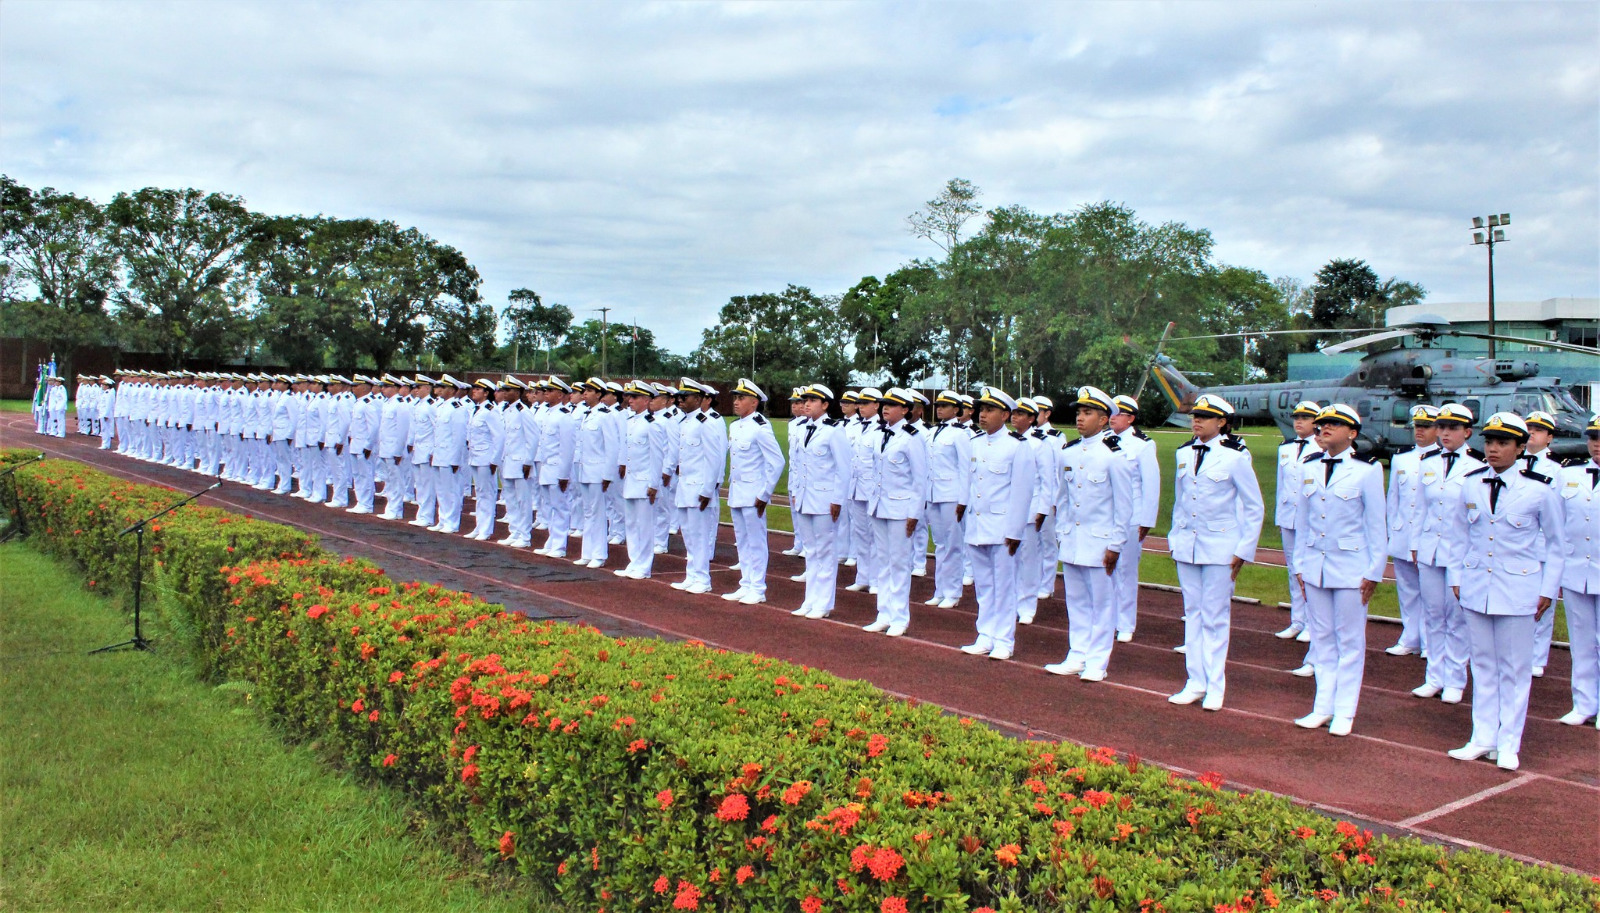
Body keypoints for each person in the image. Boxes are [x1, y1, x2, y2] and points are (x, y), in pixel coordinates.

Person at [1444, 413, 1565, 772]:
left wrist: (1547, 589)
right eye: (1489, 442)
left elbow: (1557, 545)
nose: (1493, 449)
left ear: (1520, 447)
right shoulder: (1471, 483)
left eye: (1503, 443)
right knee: (1482, 665)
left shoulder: (1539, 488)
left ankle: (1509, 742)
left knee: (1514, 668)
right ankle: (1482, 737)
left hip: (1519, 588)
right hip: (1478, 585)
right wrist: (1457, 577)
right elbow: (1458, 535)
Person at [1291, 404, 1387, 737]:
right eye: (1323, 423)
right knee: (1322, 639)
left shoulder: (1367, 470)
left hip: (1351, 567)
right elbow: (1302, 523)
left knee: (1349, 641)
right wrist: (1300, 566)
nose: (1325, 428)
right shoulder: (1309, 467)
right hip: (1315, 567)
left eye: (1335, 424)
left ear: (1353, 433)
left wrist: (1374, 571)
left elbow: (1376, 525)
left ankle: (1344, 711)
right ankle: (1322, 706)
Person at [1166, 394, 1264, 711]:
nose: (1197, 421)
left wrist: (1244, 549)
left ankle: (1215, 686)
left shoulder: (1235, 456)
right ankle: (1195, 681)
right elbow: (1180, 500)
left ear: (1221, 422)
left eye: (1205, 417)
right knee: (1192, 614)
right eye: (1195, 416)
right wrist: (1173, 537)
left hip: (1221, 546)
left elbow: (1253, 506)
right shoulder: (1183, 453)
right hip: (1188, 545)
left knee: (1215, 617)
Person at [1045, 386, 1134, 682]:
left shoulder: (1113, 455)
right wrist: (1061, 533)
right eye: (1079, 412)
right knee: (1077, 601)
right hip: (1072, 539)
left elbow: (1124, 505)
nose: (1080, 418)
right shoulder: (1068, 451)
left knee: (1102, 603)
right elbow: (1063, 498)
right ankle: (1077, 654)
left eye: (1088, 413)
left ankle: (1097, 662)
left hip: (1100, 541)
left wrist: (1116, 544)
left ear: (1104, 418)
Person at [1411, 403, 1483, 705]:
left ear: (1467, 432)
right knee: (1433, 614)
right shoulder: (1428, 462)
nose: (1445, 433)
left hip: (1459, 551)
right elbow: (1420, 507)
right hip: (1430, 548)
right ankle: (1434, 676)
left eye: (1453, 428)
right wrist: (1415, 543)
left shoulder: (1477, 466)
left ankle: (1455, 678)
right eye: (1441, 427)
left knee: (1457, 617)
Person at [959, 387, 1036, 661]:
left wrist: (1015, 531)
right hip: (978, 525)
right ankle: (985, 634)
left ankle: (1004, 639)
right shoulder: (975, 443)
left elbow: (1022, 493)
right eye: (981, 409)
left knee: (1004, 586)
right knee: (984, 586)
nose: (983, 414)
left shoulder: (1017, 446)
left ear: (1005, 414)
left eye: (990, 410)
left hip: (1003, 528)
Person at [863, 388, 929, 637]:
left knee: (899, 563)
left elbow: (919, 479)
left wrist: (914, 513)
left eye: (892, 404)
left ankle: (900, 617)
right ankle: (884, 613)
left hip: (902, 509)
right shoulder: (880, 433)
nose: (885, 408)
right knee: (883, 562)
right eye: (884, 404)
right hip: (880, 507)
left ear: (905, 410)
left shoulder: (912, 437)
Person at [790, 385, 853, 619]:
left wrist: (837, 500)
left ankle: (823, 603)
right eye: (805, 400)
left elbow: (843, 468)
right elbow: (797, 465)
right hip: (805, 498)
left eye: (813, 400)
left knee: (825, 552)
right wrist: (796, 491)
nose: (807, 403)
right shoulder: (801, 428)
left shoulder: (833, 430)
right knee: (811, 551)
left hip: (825, 499)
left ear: (825, 405)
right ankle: (810, 599)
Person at [721, 379, 786, 605]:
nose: (736, 402)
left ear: (754, 402)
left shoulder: (760, 427)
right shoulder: (735, 426)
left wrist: (765, 493)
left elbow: (776, 462)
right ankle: (746, 583)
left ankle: (758, 588)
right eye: (735, 397)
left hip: (753, 494)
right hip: (738, 491)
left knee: (756, 542)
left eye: (741, 398)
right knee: (742, 541)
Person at [1554, 415, 1600, 728]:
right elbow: (1556, 527)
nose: (1597, 444)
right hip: (1575, 571)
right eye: (1593, 437)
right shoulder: (1569, 474)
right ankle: (1584, 703)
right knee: (1581, 642)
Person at [1383, 405, 1440, 656]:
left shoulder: (1442, 460)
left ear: (1437, 430)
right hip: (1403, 532)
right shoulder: (1401, 458)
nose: (1420, 431)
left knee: (1430, 594)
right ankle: (1410, 637)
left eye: (1426, 427)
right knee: (1407, 590)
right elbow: (1393, 498)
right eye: (1417, 426)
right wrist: (1390, 531)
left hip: (1428, 537)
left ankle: (1430, 642)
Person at [1109, 395, 1160, 642]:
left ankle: (1126, 623)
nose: (1112, 417)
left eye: (1118, 414)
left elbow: (1151, 486)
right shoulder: (1104, 441)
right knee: (1103, 570)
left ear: (1130, 418)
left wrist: (1146, 521)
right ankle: (1107, 618)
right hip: (1106, 517)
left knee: (1126, 571)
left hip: (1131, 517)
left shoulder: (1142, 445)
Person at [670, 378, 727, 595]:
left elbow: (714, 458)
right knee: (689, 535)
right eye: (680, 396)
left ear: (699, 398)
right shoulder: (685, 422)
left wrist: (707, 489)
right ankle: (691, 575)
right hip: (685, 487)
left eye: (686, 396)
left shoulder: (707, 423)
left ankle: (702, 578)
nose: (681, 400)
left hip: (699, 489)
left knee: (700, 536)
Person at [1275, 402, 1321, 648]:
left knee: (1309, 570)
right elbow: (1282, 483)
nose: (1299, 422)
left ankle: (1314, 623)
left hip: (1311, 520)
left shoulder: (1322, 447)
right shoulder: (1286, 448)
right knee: (1293, 569)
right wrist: (1278, 516)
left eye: (1305, 418)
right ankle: (1297, 620)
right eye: (1297, 417)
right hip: (1288, 515)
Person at [1521, 411, 1564, 677]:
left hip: (1543, 544)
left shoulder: (1557, 469)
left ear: (1549, 437)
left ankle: (1537, 657)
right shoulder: (1513, 461)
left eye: (1538, 430)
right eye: (1529, 428)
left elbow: (1558, 513)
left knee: (1542, 605)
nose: (1532, 433)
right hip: (1519, 544)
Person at [1009, 398, 1058, 626]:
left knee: (1028, 559)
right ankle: (1010, 602)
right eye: (1013, 413)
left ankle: (1027, 605)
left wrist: (1043, 509)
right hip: (1008, 509)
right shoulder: (1009, 441)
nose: (1014, 417)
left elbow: (1048, 479)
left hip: (1030, 509)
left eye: (1020, 414)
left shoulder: (1040, 443)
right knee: (1009, 560)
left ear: (1031, 418)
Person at [922, 390, 972, 609]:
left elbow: (966, 468)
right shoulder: (932, 432)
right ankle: (939, 589)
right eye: (938, 405)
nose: (939, 408)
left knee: (953, 545)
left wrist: (963, 499)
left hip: (951, 495)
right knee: (941, 544)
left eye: (945, 405)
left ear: (956, 409)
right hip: (933, 494)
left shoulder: (960, 434)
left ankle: (952, 592)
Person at [615, 381, 667, 579]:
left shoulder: (652, 425)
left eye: (635, 397)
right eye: (630, 397)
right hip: (631, 481)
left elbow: (656, 457)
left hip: (645, 482)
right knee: (632, 524)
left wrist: (653, 484)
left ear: (646, 400)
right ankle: (634, 561)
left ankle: (644, 566)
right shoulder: (631, 422)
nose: (630, 400)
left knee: (645, 526)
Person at [533, 377, 578, 557]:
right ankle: (551, 541)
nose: (546, 393)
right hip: (546, 468)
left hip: (557, 469)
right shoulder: (548, 414)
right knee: (549, 507)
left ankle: (559, 545)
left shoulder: (564, 416)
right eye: (546, 391)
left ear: (560, 395)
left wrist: (564, 474)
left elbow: (567, 448)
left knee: (560, 507)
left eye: (550, 391)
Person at [844, 389, 882, 593]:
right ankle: (863, 576)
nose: (861, 406)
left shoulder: (882, 429)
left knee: (875, 535)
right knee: (860, 533)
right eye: (860, 403)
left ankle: (876, 580)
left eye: (866, 403)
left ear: (876, 405)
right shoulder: (854, 428)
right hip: (855, 487)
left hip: (872, 489)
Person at [463, 379, 505, 541]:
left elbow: (499, 437)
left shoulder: (490, 411)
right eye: (474, 389)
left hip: (486, 458)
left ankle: (486, 529)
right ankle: (479, 526)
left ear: (486, 393)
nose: (474, 391)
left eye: (478, 389)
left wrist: (494, 461)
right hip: (475, 456)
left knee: (487, 494)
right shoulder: (477, 409)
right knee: (479, 493)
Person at [497, 376, 537, 547]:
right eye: (504, 390)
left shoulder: (523, 411)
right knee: (511, 500)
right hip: (508, 462)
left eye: (509, 390)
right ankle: (514, 531)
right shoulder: (507, 411)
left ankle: (525, 536)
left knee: (523, 501)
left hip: (520, 463)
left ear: (519, 392)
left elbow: (533, 438)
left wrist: (528, 462)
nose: (505, 393)